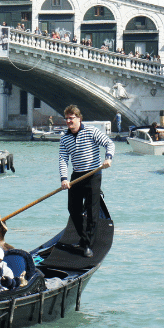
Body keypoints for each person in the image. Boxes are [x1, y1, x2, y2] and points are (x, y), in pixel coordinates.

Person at [58, 105, 113, 258]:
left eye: (71, 118)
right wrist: (64, 179)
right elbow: (63, 159)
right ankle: (84, 237)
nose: (69, 121)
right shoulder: (65, 138)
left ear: (79, 118)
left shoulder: (91, 131)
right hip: (77, 176)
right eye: (67, 118)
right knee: (73, 209)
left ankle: (87, 244)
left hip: (93, 174)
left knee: (91, 211)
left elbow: (109, 143)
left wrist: (108, 158)